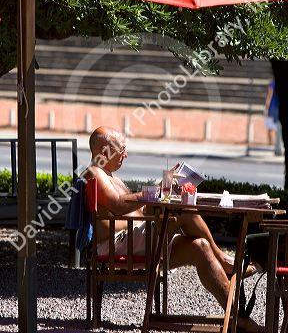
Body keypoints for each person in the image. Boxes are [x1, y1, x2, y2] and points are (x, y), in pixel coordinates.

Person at [83, 126, 262, 332]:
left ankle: (237, 319)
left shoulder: (112, 176)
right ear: (105, 150)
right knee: (185, 211)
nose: (126, 154)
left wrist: (165, 185)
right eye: (122, 148)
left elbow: (139, 210)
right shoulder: (94, 173)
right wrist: (156, 191)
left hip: (136, 238)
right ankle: (224, 261)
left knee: (200, 247)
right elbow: (118, 205)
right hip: (120, 244)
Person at [264, 80, 279, 145]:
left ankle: (271, 143)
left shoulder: (272, 83)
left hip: (272, 107)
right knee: (278, 127)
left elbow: (269, 96)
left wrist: (266, 108)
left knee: (270, 127)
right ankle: (277, 143)